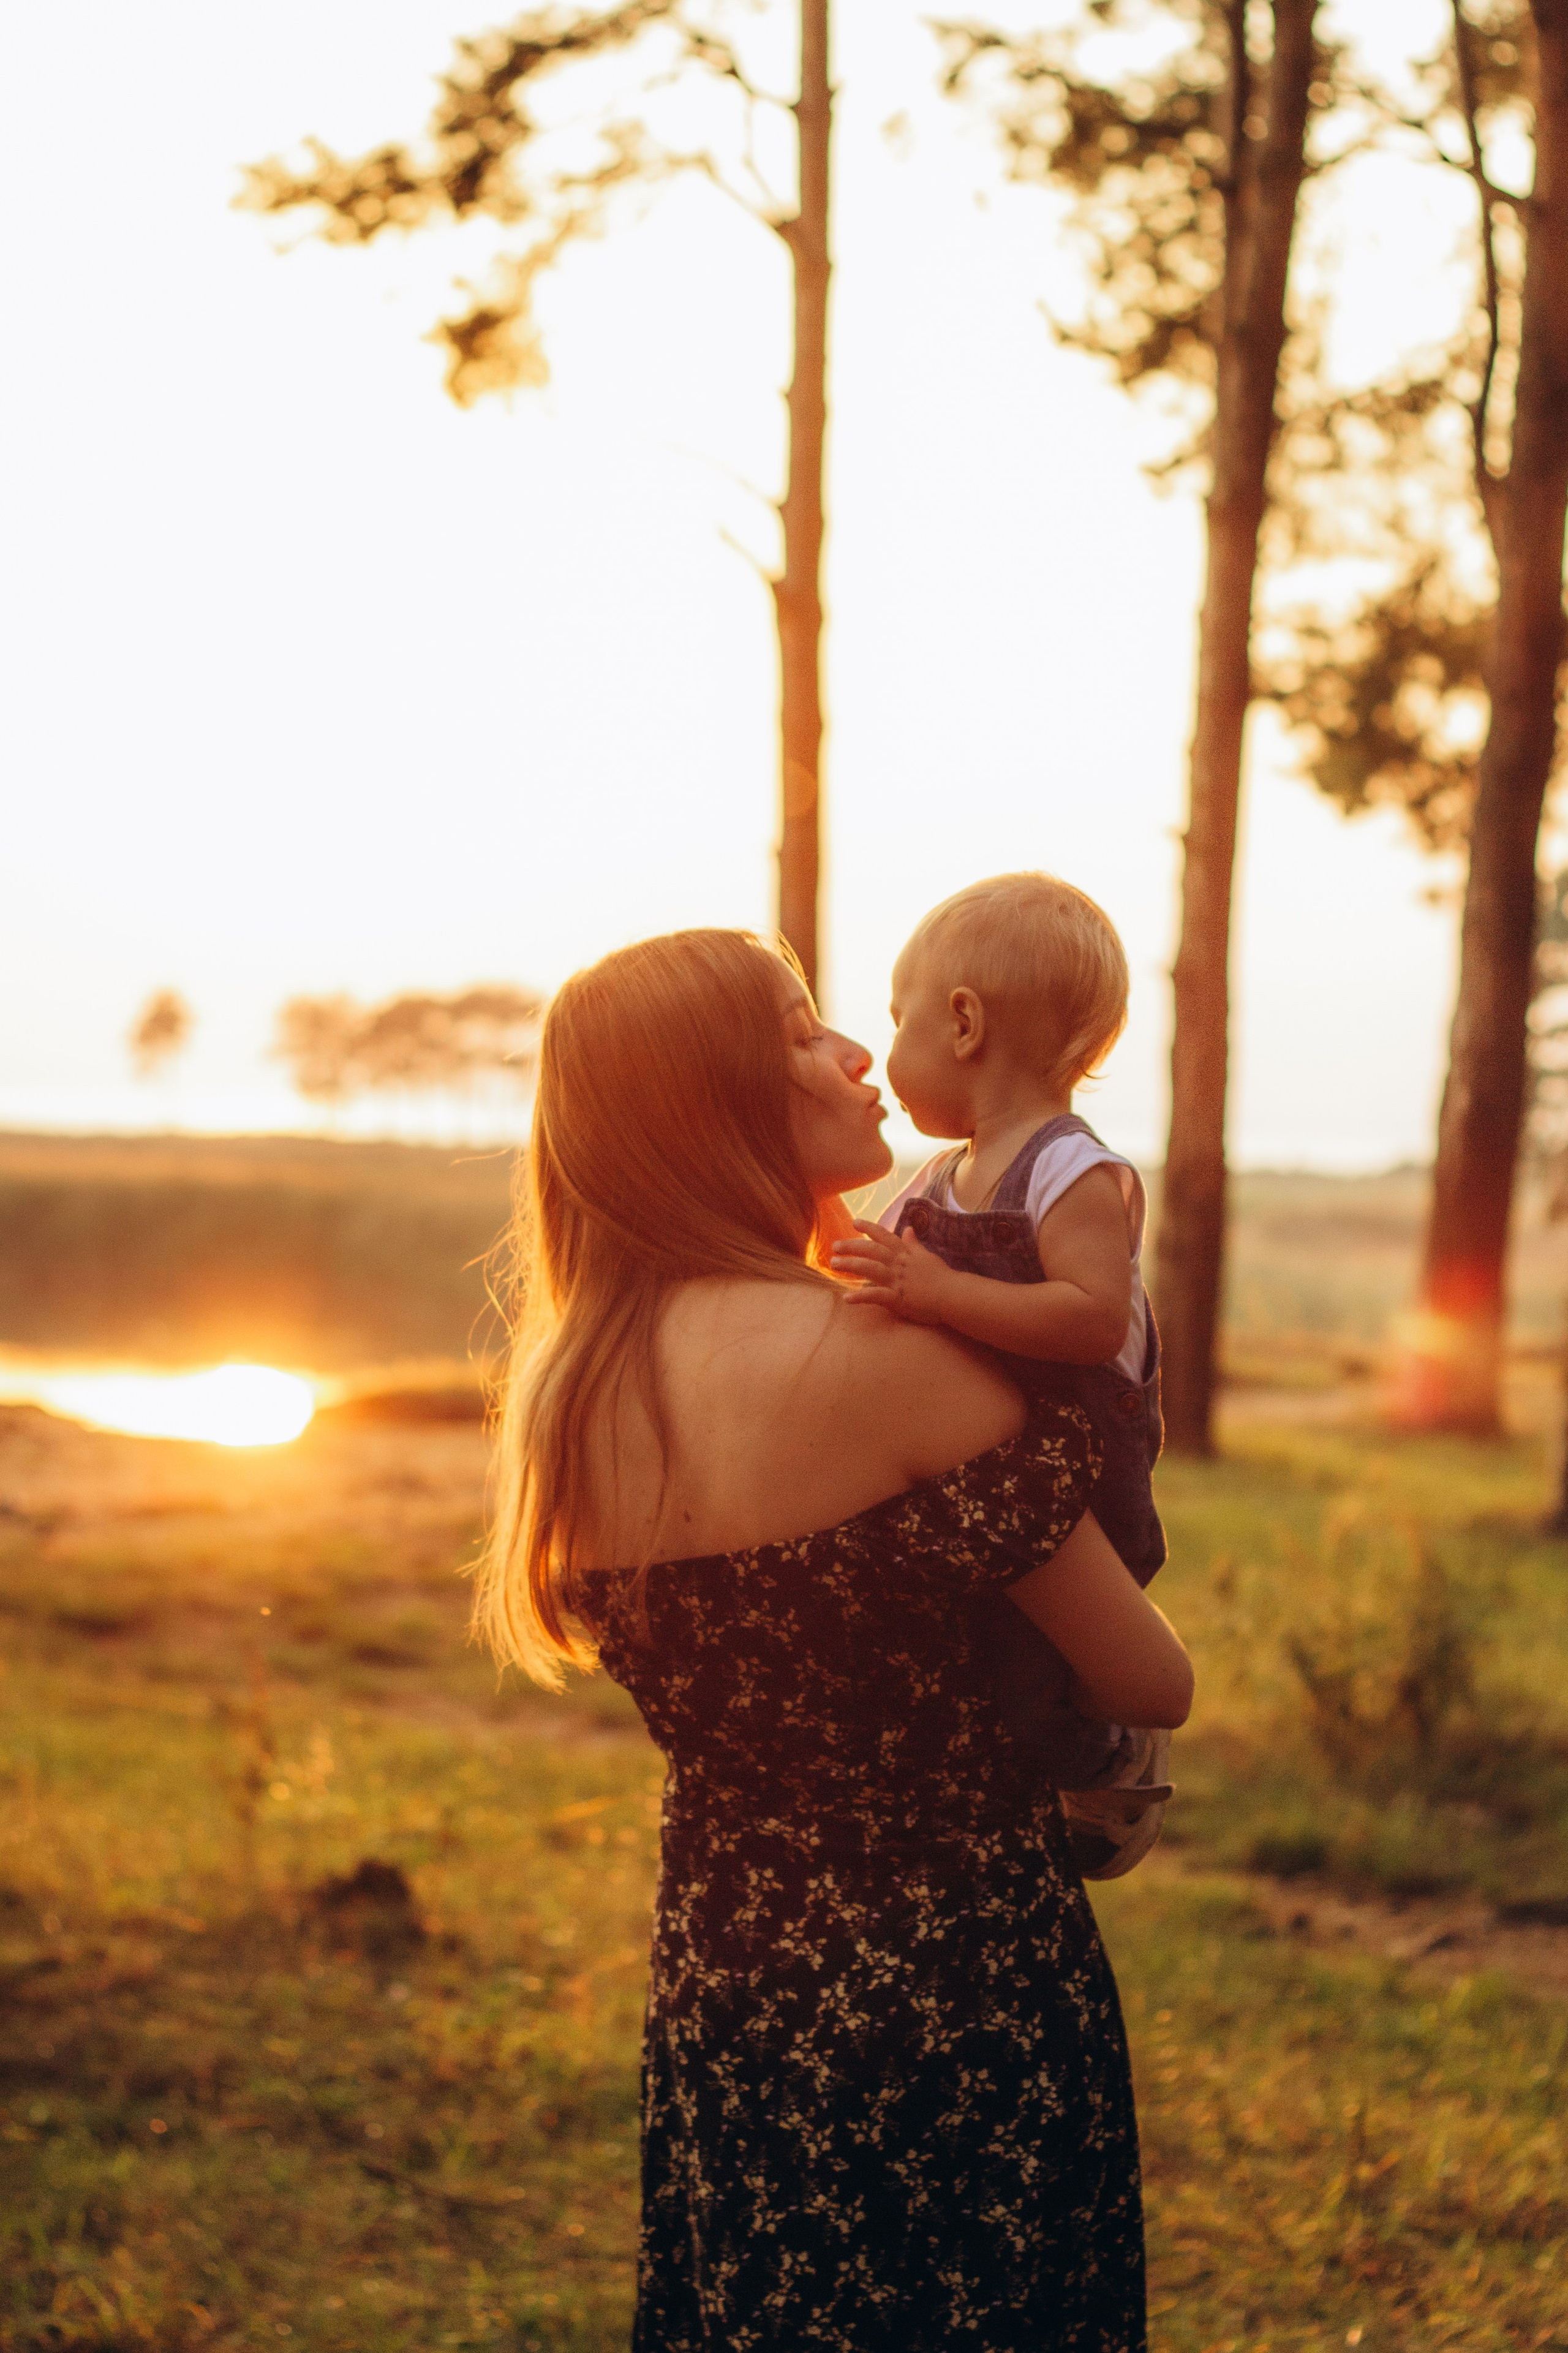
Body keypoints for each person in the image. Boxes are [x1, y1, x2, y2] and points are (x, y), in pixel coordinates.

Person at [477, 927, 1193, 2352]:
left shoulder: (570, 1400)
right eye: (805, 1029)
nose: (857, 1051)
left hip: (725, 1985)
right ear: (715, 1098)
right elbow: (1145, 1675)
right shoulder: (888, 1362)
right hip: (959, 1988)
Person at [829, 874, 1169, 1878]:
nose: (885, 1054)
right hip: (988, 1476)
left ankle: (1111, 1763)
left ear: (965, 1022)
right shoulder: (936, 1182)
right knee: (973, 1660)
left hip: (1080, 1482)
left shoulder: (1072, 1172)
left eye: (900, 1021)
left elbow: (1089, 1316)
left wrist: (937, 1296)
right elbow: (859, 1278)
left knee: (1032, 1680)